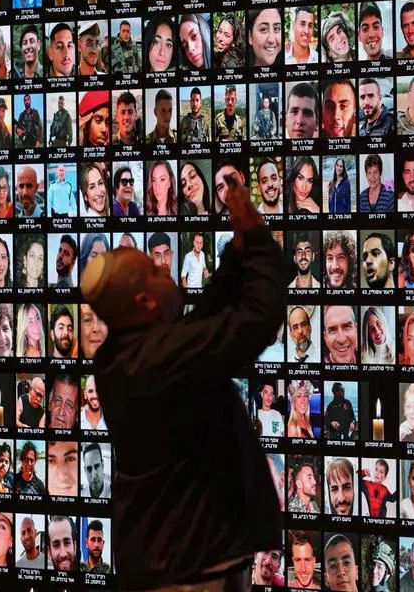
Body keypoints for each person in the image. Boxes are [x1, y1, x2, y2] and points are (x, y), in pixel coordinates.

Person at [78, 171, 288, 587]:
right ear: (143, 301)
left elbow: (205, 317)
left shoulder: (129, 355)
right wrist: (255, 233)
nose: (165, 270)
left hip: (173, 564)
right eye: (155, 272)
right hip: (191, 575)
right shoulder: (155, 360)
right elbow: (258, 320)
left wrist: (238, 249)